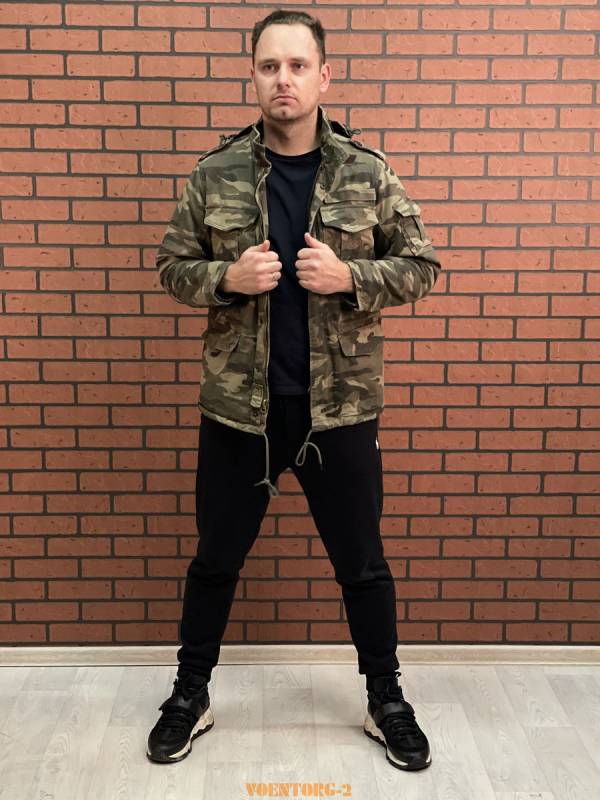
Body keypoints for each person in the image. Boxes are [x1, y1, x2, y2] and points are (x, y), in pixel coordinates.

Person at [147, 9, 442, 772]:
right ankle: (190, 694)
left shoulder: (368, 173)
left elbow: (422, 266)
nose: (284, 80)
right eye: (270, 66)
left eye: (298, 65)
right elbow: (172, 266)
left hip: (339, 410)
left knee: (363, 565)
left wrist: (351, 277)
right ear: (254, 75)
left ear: (324, 77)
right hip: (238, 410)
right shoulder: (214, 173)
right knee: (215, 560)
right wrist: (226, 278)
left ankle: (385, 699)